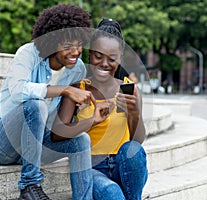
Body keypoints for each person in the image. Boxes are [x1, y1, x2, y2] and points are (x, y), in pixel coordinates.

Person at [0, 4, 94, 200]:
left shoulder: (77, 68)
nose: (76, 51)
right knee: (35, 104)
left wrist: (81, 110)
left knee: (82, 141)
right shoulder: (28, 53)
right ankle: (30, 185)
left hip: (34, 146)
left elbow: (60, 125)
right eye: (68, 46)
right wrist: (64, 89)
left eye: (79, 44)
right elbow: (18, 91)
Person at [51, 18, 148, 200]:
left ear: (119, 60)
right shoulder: (77, 89)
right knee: (112, 194)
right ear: (89, 55)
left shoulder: (130, 89)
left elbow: (138, 141)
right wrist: (91, 120)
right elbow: (57, 134)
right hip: (92, 168)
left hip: (123, 167)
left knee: (133, 150)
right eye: (98, 56)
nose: (104, 63)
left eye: (111, 58)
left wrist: (133, 113)